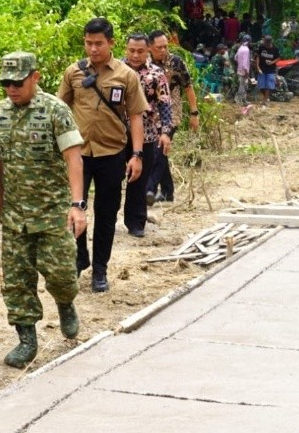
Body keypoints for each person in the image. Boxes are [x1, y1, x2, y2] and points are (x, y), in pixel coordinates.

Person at [0, 52, 87, 369]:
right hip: (16, 215)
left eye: (17, 82)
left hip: (51, 211)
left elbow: (74, 158)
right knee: (17, 281)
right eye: (6, 84)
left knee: (60, 272)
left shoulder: (55, 110)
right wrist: (1, 205)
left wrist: (77, 205)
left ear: (35, 77)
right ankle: (26, 340)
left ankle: (65, 302)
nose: (11, 89)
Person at [58, 18, 147, 293]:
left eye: (99, 43)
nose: (93, 49)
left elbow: (135, 117)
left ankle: (100, 269)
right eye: (88, 43)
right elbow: (60, 110)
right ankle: (79, 257)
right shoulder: (73, 72)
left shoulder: (126, 76)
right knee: (75, 208)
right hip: (78, 155)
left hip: (112, 153)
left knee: (107, 214)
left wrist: (137, 155)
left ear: (111, 43)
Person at [123, 33, 174, 237]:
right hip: (116, 134)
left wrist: (166, 132)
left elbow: (165, 104)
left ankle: (136, 222)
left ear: (148, 51)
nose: (135, 55)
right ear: (126, 50)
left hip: (147, 134)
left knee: (139, 180)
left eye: (140, 51)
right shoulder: (115, 70)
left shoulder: (156, 74)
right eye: (132, 50)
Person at [146, 29, 199, 204]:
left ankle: (150, 189)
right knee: (159, 151)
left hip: (172, 111)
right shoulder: (144, 64)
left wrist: (194, 113)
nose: (163, 50)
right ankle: (168, 192)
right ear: (150, 47)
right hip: (151, 113)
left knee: (160, 150)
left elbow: (188, 88)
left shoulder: (176, 62)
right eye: (159, 47)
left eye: (165, 46)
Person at [256, 34, 281, 107]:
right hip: (262, 69)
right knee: (261, 86)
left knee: (268, 86)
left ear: (270, 43)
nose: (265, 45)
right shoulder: (261, 47)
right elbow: (258, 56)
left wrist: (272, 62)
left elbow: (278, 58)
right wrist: (257, 66)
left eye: (266, 43)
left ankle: (265, 100)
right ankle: (266, 98)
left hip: (271, 70)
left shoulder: (275, 49)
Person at [235, 35, 253, 105]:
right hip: (244, 70)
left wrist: (240, 63)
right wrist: (246, 71)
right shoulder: (246, 49)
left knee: (241, 85)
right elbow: (245, 62)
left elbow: (235, 58)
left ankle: (241, 100)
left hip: (239, 69)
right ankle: (242, 100)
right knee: (244, 86)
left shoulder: (240, 48)